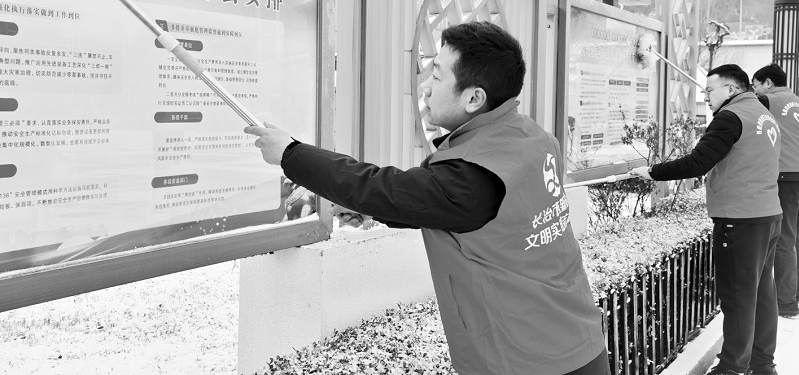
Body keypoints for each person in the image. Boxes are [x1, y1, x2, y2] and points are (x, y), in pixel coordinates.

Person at [245, 22, 609, 375]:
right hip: (579, 341)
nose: (424, 87)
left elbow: (386, 189)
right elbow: (463, 211)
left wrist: (290, 154)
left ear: (473, 98)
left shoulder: (474, 177)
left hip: (528, 361)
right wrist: (374, 211)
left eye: (436, 76)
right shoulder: (532, 138)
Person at [630, 64, 782, 375]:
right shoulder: (762, 114)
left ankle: (731, 368)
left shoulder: (730, 117)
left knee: (738, 297)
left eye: (710, 90)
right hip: (768, 215)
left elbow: (698, 162)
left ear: (731, 89)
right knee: (762, 294)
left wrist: (653, 172)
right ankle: (762, 364)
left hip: (740, 219)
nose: (706, 96)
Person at [752, 63, 799, 318]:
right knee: (796, 237)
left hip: (787, 177)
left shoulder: (767, 101)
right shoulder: (797, 101)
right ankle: (795, 294)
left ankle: (786, 302)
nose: (755, 91)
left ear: (768, 83)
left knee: (785, 239)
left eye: (756, 85)